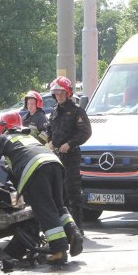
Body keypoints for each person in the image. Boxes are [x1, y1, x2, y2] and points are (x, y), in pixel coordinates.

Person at [0, 111, 84, 265]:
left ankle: (58, 251)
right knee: (58, 206)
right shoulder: (29, 137)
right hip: (55, 163)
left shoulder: (5, 138)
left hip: (37, 169)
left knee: (45, 209)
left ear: (3, 127)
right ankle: (74, 233)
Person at [46, 76, 92, 229]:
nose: (58, 96)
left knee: (72, 192)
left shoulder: (77, 112)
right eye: (56, 93)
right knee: (59, 193)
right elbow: (49, 130)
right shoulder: (54, 112)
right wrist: (50, 142)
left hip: (70, 157)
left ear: (67, 93)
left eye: (61, 92)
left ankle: (78, 227)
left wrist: (69, 144)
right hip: (56, 157)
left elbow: (85, 132)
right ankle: (65, 227)